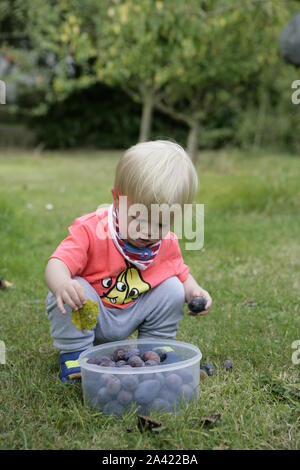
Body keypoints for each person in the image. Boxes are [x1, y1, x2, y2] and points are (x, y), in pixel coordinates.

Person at [45, 140, 212, 383]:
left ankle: (157, 348)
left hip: (133, 312)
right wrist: (61, 284)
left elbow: (181, 273)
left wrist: (195, 292)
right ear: (116, 199)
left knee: (173, 288)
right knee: (73, 288)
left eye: (161, 224)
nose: (147, 231)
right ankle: (75, 355)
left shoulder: (165, 243)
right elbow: (57, 263)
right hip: (92, 313)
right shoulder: (93, 230)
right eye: (138, 218)